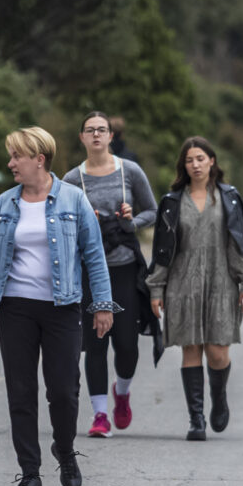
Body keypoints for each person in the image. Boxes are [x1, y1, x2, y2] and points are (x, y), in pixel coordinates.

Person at [0, 126, 118, 486]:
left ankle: (64, 451)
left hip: (62, 308)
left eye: (17, 156)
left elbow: (94, 256)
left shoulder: (73, 200)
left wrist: (101, 304)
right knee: (21, 393)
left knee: (64, 391)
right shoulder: (5, 204)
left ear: (39, 159)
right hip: (15, 308)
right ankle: (30, 475)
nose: (10, 163)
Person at [147, 137, 243, 441]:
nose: (195, 165)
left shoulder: (229, 197)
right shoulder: (171, 202)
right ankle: (196, 419)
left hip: (222, 281)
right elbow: (161, 250)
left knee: (218, 351)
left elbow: (240, 244)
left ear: (212, 161)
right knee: (191, 347)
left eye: (200, 158)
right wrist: (156, 289)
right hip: (182, 284)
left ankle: (219, 395)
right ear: (183, 166)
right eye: (189, 160)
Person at [63, 111, 158, 438]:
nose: (96, 135)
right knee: (95, 342)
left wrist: (131, 220)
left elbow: (153, 212)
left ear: (110, 136)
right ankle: (100, 415)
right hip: (91, 271)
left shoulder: (128, 171)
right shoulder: (72, 179)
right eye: (90, 130)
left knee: (128, 344)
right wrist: (80, 221)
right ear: (82, 138)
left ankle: (123, 392)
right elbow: (60, 222)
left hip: (124, 268)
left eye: (102, 130)